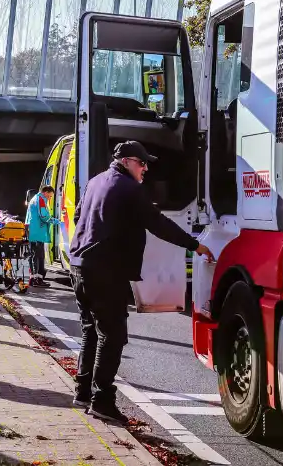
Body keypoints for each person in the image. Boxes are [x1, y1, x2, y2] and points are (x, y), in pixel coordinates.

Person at [69, 141, 214, 424]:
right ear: (125, 162)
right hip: (105, 272)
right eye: (142, 162)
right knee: (112, 336)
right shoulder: (130, 189)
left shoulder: (95, 182)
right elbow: (157, 223)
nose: (146, 168)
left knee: (91, 331)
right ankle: (101, 401)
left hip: (80, 267)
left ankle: (82, 392)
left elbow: (78, 217)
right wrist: (194, 245)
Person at [25, 186, 61, 288]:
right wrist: (55, 221)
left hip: (33, 230)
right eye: (49, 196)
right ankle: (37, 279)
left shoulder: (34, 199)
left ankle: (34, 278)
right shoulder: (40, 199)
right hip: (37, 231)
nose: (49, 198)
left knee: (34, 255)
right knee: (38, 255)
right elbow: (44, 215)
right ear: (45, 192)